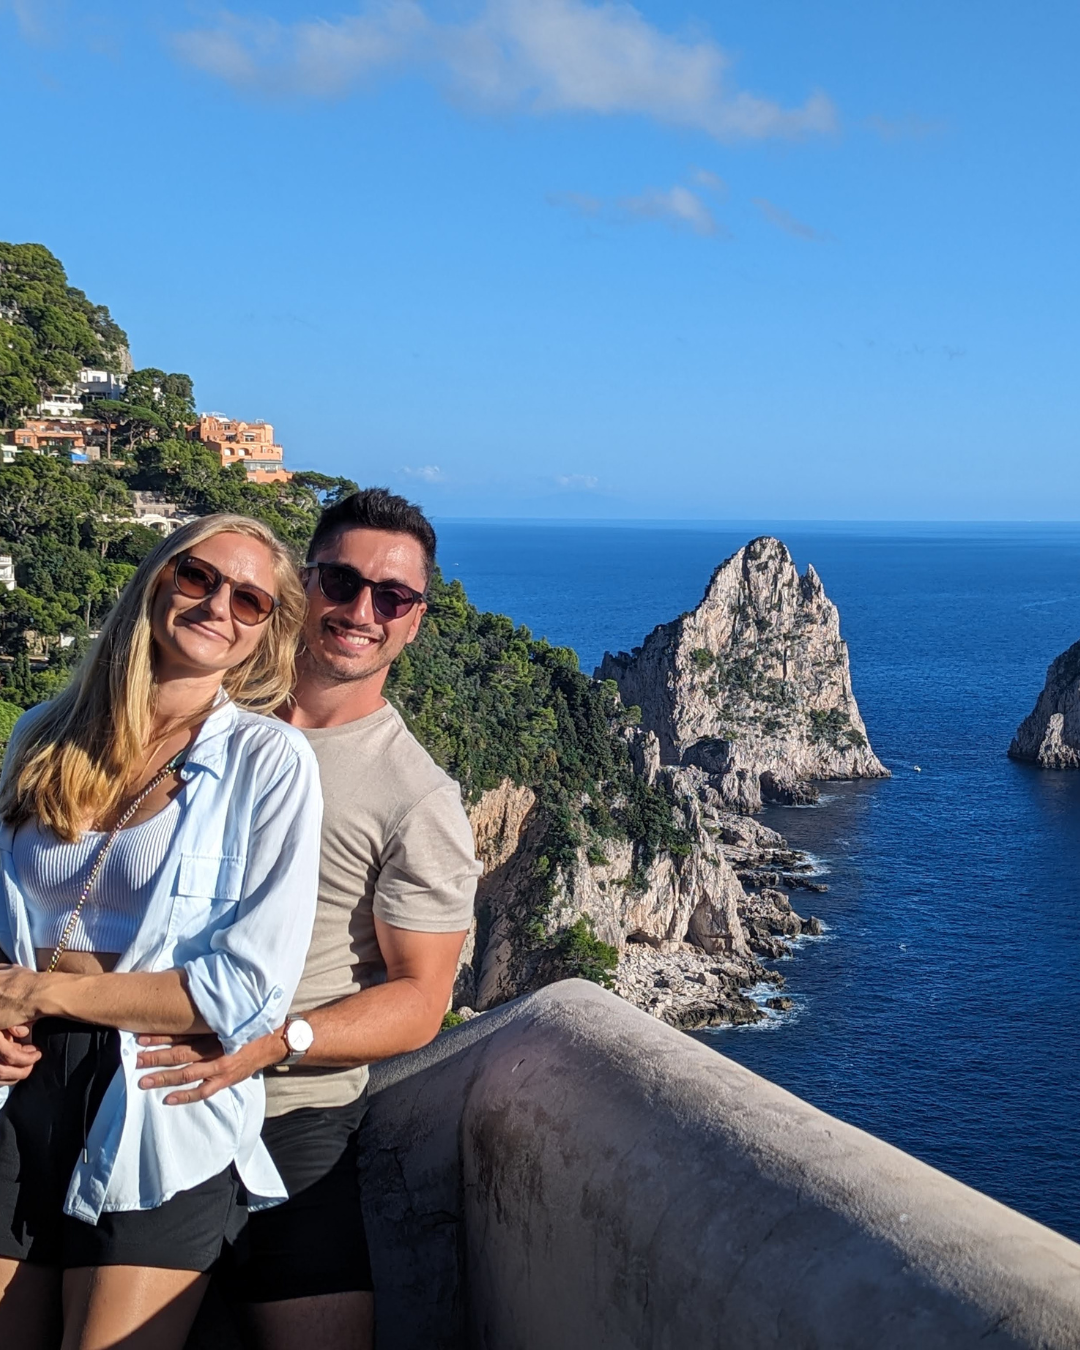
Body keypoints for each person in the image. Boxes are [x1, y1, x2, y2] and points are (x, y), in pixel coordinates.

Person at [134, 489, 481, 1350]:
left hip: (291, 1121)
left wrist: (272, 1041)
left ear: (413, 622)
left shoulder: (416, 796)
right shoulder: (198, 715)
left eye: (392, 597)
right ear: (305, 582)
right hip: (129, 1087)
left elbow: (420, 997)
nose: (362, 610)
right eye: (341, 580)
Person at [0, 514, 323, 1350]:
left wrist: (46, 990)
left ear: (264, 637)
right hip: (15, 1083)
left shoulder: (270, 763)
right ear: (156, 580)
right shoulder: (40, 736)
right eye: (198, 577)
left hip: (158, 1100)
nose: (219, 604)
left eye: (250, 600)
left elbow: (247, 991)